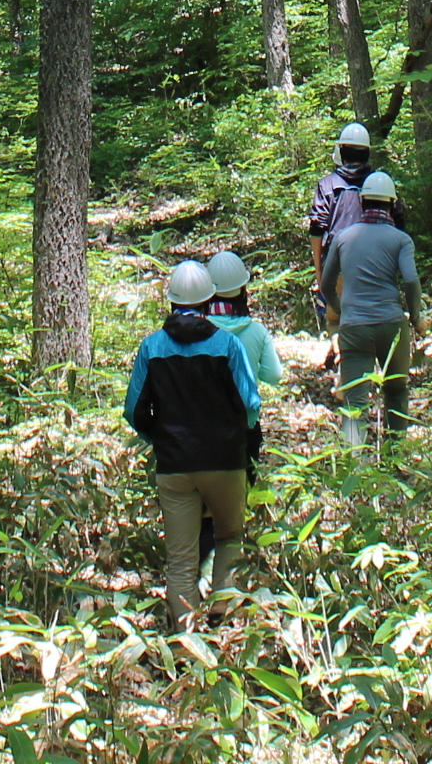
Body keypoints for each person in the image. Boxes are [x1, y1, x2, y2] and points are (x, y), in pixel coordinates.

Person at [123, 258, 262, 625]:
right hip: (226, 462)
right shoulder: (229, 345)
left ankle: (185, 644)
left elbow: (134, 412)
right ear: (209, 300)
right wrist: (239, 438)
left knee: (182, 557)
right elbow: (250, 405)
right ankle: (222, 616)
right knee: (230, 536)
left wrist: (162, 438)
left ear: (170, 302)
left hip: (175, 466)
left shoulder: (151, 348)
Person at [316, 172, 421, 449]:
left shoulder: (342, 237)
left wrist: (340, 310)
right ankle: (395, 455)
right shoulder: (401, 240)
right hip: (391, 325)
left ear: (362, 203)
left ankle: (356, 469)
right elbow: (410, 280)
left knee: (354, 401)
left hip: (355, 327)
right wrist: (416, 317)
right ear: (392, 204)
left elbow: (326, 284)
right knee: (396, 391)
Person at [203, 251, 283, 391]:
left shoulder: (198, 329)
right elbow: (274, 375)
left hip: (206, 412)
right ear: (243, 289)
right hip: (246, 412)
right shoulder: (257, 331)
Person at [305, 121, 378, 250]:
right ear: (367, 153)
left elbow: (317, 227)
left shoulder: (326, 185)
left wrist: (319, 269)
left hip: (337, 260)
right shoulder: (379, 183)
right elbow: (397, 224)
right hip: (373, 261)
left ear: (342, 151)